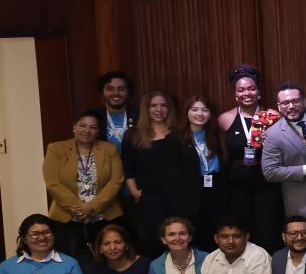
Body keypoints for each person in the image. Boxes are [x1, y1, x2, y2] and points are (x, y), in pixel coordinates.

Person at [44, 109, 126, 259]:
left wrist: (92, 206)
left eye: (93, 127)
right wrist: (79, 207)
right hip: (68, 216)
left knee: (108, 259)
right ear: (74, 127)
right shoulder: (56, 149)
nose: (87, 130)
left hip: (104, 215)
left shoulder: (109, 149)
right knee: (70, 260)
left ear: (98, 131)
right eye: (82, 125)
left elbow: (117, 180)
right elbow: (52, 182)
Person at [218, 65, 283, 248]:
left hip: (266, 179)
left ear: (259, 92)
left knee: (268, 228)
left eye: (251, 88)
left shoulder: (273, 116)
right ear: (235, 94)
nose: (247, 93)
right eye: (241, 89)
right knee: (241, 228)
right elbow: (222, 152)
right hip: (238, 181)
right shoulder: (225, 119)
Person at [260, 83, 306, 224]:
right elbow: (270, 172)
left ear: (304, 102)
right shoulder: (273, 135)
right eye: (285, 103)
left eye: (295, 101)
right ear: (279, 107)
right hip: (303, 201)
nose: (290, 106)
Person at [172, 95, 228, 250]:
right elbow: (173, 175)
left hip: (216, 191)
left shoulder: (216, 134)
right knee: (197, 237)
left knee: (217, 235)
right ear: (186, 112)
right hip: (192, 194)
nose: (200, 114)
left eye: (205, 110)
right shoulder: (176, 139)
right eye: (194, 109)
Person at [122, 89, 176, 249]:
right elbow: (128, 167)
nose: (159, 110)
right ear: (146, 108)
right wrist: (134, 192)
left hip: (175, 198)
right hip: (148, 199)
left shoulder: (178, 133)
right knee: (153, 242)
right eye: (153, 106)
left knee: (176, 240)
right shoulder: (133, 135)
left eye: (163, 105)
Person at [97, 71, 138, 151]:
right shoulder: (95, 116)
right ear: (102, 92)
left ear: (128, 92)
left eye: (121, 89)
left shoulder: (140, 115)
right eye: (110, 89)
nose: (116, 93)